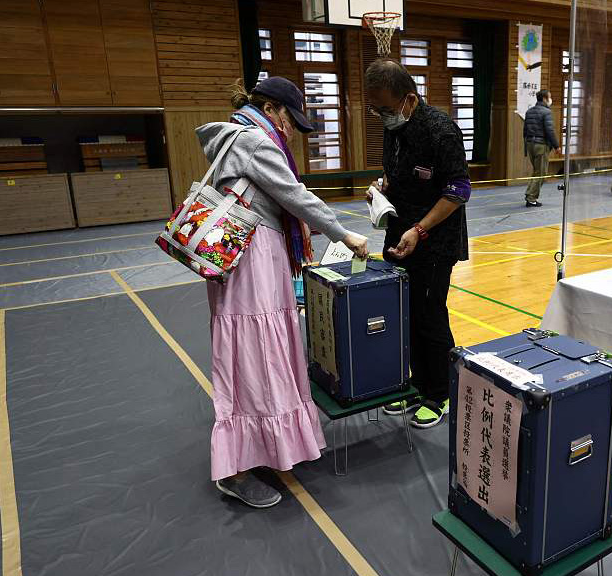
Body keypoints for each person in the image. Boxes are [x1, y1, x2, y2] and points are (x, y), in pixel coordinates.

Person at [195, 77, 368, 508]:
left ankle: (265, 448)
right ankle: (234, 469)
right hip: (251, 265)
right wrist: (345, 234)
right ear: (272, 110)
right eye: (291, 121)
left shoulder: (238, 137)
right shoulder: (255, 141)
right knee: (255, 355)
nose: (291, 132)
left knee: (257, 356)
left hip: (249, 262)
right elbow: (296, 197)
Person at [364, 59, 470, 429]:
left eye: (386, 109)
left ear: (409, 99)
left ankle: (441, 392)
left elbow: (458, 191)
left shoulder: (441, 130)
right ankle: (417, 383)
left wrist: (420, 230)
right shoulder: (394, 128)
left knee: (429, 314)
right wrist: (383, 187)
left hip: (435, 240)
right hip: (399, 233)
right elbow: (398, 171)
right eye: (375, 109)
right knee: (404, 312)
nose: (381, 116)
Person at [522, 89, 559, 207]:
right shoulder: (546, 112)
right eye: (549, 97)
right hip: (541, 146)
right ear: (544, 98)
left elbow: (525, 131)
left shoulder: (529, 111)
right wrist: (556, 146)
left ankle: (530, 195)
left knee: (537, 171)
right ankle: (531, 197)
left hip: (530, 145)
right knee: (541, 173)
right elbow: (550, 131)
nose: (550, 99)